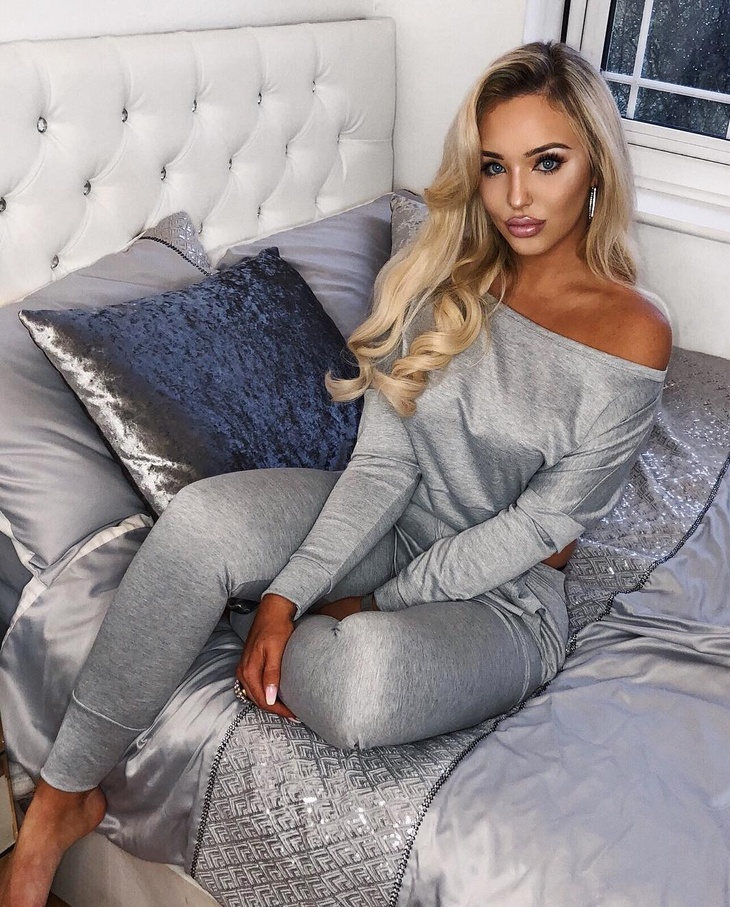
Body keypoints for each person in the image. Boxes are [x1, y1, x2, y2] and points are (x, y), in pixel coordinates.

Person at [3, 40, 671, 906]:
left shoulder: (633, 332)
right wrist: (290, 595)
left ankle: (231, 620)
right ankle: (63, 797)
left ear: (595, 167)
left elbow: (539, 532)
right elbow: (385, 463)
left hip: (504, 595)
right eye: (494, 166)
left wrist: (372, 603)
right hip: (392, 522)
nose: (516, 198)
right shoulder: (439, 272)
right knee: (199, 521)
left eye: (547, 163)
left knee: (364, 687)